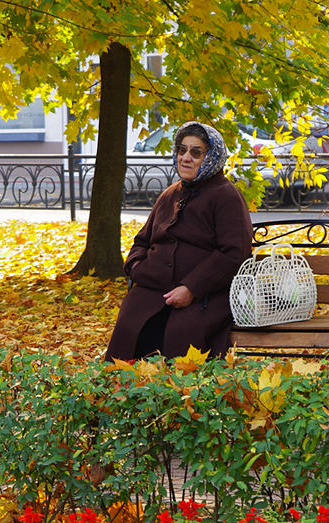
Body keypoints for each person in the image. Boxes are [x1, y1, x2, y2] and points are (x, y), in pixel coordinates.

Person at [104, 121, 253, 361]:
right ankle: (122, 390)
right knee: (132, 324)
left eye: (196, 152)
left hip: (205, 296)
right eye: (182, 150)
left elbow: (233, 253)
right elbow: (142, 241)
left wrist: (192, 288)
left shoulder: (226, 195)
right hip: (153, 288)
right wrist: (136, 268)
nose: (186, 158)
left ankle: (179, 394)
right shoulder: (170, 193)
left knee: (177, 332)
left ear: (212, 157)